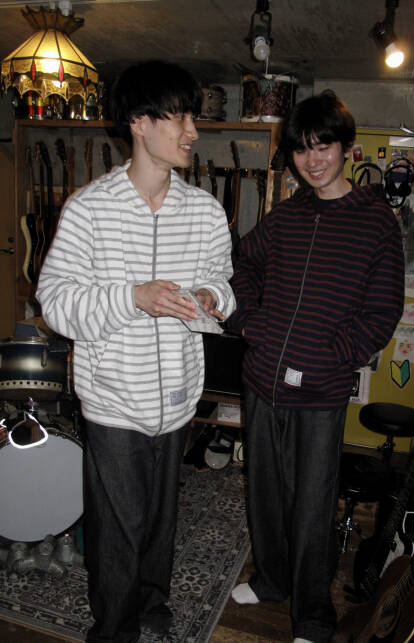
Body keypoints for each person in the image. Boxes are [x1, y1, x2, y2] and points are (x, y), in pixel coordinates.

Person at [36, 60, 235, 643]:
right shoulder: (88, 209)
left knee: (160, 519)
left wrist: (210, 296)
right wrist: (133, 298)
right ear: (140, 123)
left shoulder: (204, 211)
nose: (192, 131)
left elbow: (223, 282)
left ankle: (152, 602)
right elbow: (56, 302)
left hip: (177, 399)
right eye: (179, 117)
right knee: (117, 528)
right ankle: (115, 630)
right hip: (113, 400)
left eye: (192, 117)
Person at [227, 90, 405, 643]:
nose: (313, 159)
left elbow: (383, 312)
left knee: (311, 508)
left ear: (346, 147)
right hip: (262, 381)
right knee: (265, 495)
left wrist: (332, 355)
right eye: (302, 149)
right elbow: (241, 264)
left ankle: (312, 615)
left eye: (323, 145)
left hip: (320, 393)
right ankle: (271, 580)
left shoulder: (376, 222)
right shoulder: (286, 215)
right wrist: (250, 323)